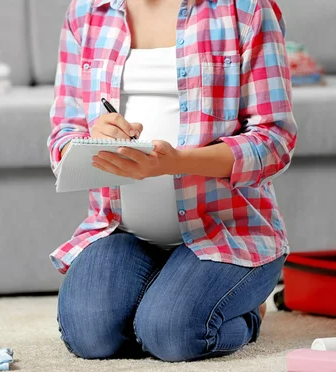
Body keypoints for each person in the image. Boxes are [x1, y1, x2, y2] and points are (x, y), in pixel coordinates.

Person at [46, 0, 297, 363]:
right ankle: (165, 295)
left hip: (225, 234)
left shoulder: (245, 9)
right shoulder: (87, 12)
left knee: (171, 335)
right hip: (121, 233)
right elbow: (62, 135)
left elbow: (275, 140)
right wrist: (91, 138)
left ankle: (246, 313)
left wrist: (176, 163)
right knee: (90, 337)